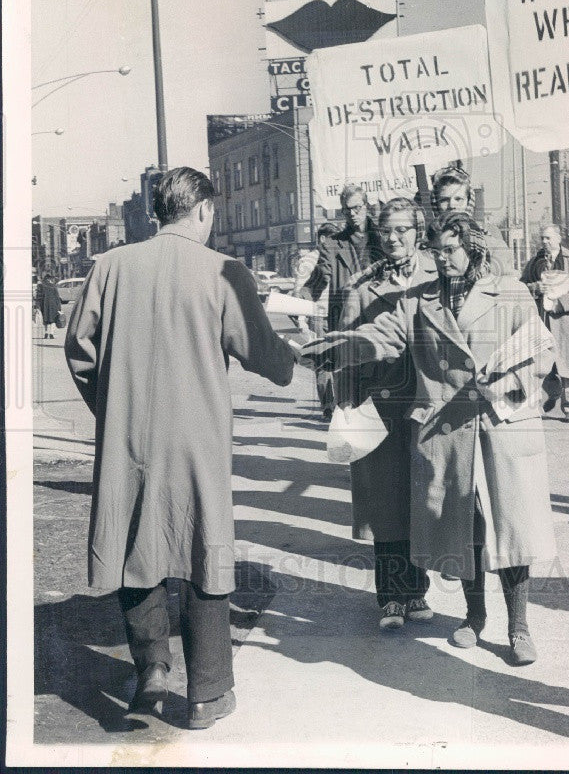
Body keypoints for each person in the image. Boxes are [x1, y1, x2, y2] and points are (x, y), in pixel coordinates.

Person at [64, 167, 294, 730]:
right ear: (203, 212)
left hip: (129, 436)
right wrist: (294, 361)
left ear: (157, 212)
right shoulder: (223, 270)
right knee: (202, 550)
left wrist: (112, 408)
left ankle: (151, 670)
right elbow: (260, 349)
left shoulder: (110, 267)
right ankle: (208, 695)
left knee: (133, 542)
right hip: (197, 438)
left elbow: (79, 350)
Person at [301, 211, 557, 666]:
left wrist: (503, 387)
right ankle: (473, 616)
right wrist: (346, 347)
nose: (441, 260)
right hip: (448, 430)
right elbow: (385, 336)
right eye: (436, 251)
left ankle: (519, 627)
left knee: (510, 530)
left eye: (450, 251)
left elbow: (540, 350)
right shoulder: (417, 301)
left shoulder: (512, 292)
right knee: (466, 529)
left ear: (473, 248)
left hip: (501, 428)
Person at [337, 198, 435, 631]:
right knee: (386, 501)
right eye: (387, 232)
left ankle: (417, 590)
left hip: (430, 404)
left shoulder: (439, 276)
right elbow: (343, 354)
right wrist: (344, 406)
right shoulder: (362, 286)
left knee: (422, 498)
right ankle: (392, 596)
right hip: (380, 406)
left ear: (418, 231)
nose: (394, 239)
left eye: (403, 230)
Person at [299, 185, 384, 416]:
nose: (353, 214)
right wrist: (299, 300)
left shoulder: (385, 238)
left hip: (380, 321)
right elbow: (318, 279)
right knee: (350, 392)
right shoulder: (333, 245)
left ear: (366, 206)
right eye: (348, 210)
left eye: (357, 208)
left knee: (381, 387)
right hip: (347, 325)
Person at [521, 224, 569, 422]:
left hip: (566, 321)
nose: (544, 242)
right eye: (542, 238)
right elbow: (521, 285)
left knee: (567, 366)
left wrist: (562, 302)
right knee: (542, 366)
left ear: (559, 238)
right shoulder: (534, 262)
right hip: (542, 321)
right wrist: (535, 287)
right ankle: (553, 392)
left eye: (548, 238)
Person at [429, 164, 516, 275]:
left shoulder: (493, 246)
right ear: (435, 203)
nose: (452, 205)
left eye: (458, 199)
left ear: (469, 201)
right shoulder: (426, 250)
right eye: (444, 200)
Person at [295, 222, 340, 416]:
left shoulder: (336, 259)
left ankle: (339, 405)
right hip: (319, 316)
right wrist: (302, 322)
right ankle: (328, 407)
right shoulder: (308, 261)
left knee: (341, 361)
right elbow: (300, 293)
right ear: (323, 239)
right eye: (334, 240)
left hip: (338, 314)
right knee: (323, 363)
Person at [35, 272, 63, 339]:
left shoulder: (41, 286)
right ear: (50, 279)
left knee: (46, 320)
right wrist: (59, 308)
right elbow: (57, 297)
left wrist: (37, 306)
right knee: (53, 320)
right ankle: (51, 334)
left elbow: (38, 297)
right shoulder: (53, 286)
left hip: (44, 306)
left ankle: (46, 333)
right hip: (53, 306)